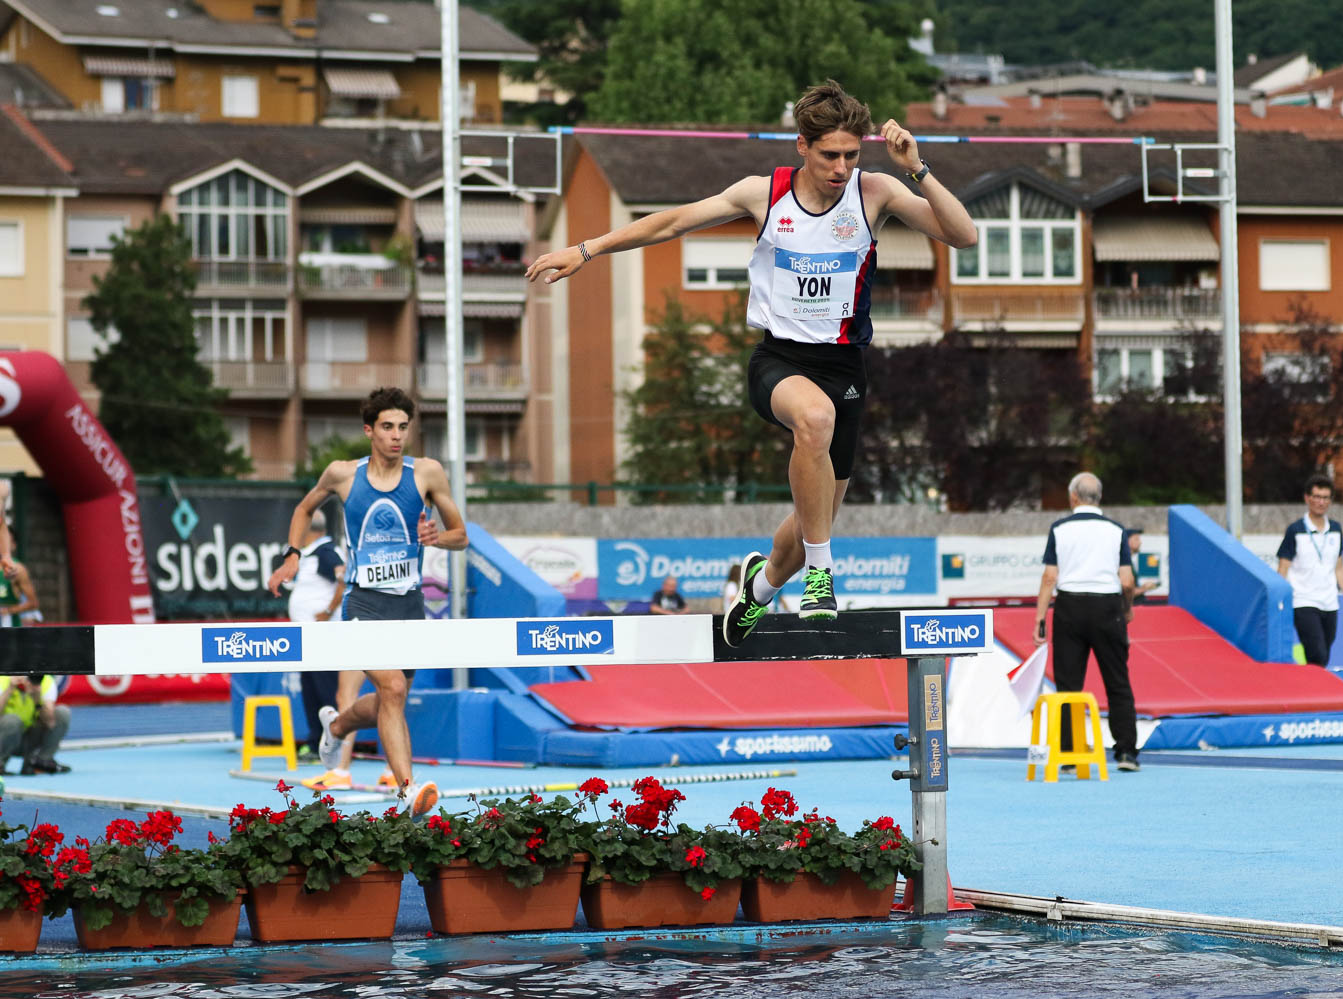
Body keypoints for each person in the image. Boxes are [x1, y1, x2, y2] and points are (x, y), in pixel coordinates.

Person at [527, 81, 976, 646]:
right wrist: (586, 249)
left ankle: (760, 588)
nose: (841, 168)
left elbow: (964, 236)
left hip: (845, 370)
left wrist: (918, 170)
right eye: (829, 155)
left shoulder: (875, 192)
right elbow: (671, 222)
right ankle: (822, 576)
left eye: (850, 155)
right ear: (802, 146)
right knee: (814, 420)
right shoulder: (763, 194)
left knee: (813, 519)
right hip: (779, 361)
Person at [267, 388, 467, 817]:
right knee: (392, 688)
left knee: (390, 699)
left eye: (403, 427)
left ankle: (337, 725)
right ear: (369, 431)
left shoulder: (427, 473)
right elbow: (304, 509)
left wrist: (438, 538)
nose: (397, 436)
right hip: (363, 604)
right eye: (387, 427)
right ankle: (408, 791)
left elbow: (461, 536)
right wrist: (293, 555)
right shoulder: (343, 474)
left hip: (408, 606)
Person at [1032, 472, 1140, 772]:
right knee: (1117, 680)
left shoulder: (1060, 529)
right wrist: (1127, 609)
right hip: (1107, 606)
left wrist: (1040, 618)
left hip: (1070, 606)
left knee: (1068, 684)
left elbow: (1049, 577)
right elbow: (1127, 580)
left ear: (1073, 497)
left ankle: (1069, 754)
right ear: (1100, 497)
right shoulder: (1116, 530)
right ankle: (1127, 752)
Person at [1276, 473, 1343, 668]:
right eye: (1317, 497)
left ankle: (1308, 686)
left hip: (1329, 602)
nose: (1321, 502)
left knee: (1322, 659)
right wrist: (1279, 601)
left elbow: (1339, 569)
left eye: (1325, 498)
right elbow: (1283, 567)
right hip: (1303, 601)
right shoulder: (1295, 530)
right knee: (1317, 653)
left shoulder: (1335, 529)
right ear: (1307, 498)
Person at [285, 509, 348, 785]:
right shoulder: (311, 553)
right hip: (307, 638)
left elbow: (343, 579)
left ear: (309, 530)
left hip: (322, 637)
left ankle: (334, 747)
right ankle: (314, 744)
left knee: (324, 693)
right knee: (310, 691)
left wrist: (328, 610)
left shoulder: (326, 551)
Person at [0, 673, 71, 775]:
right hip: (5, 737)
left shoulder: (45, 681)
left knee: (62, 713)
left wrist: (37, 699)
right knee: (12, 721)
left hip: (30, 739)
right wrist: (10, 689)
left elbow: (50, 723)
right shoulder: (3, 679)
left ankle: (41, 762)